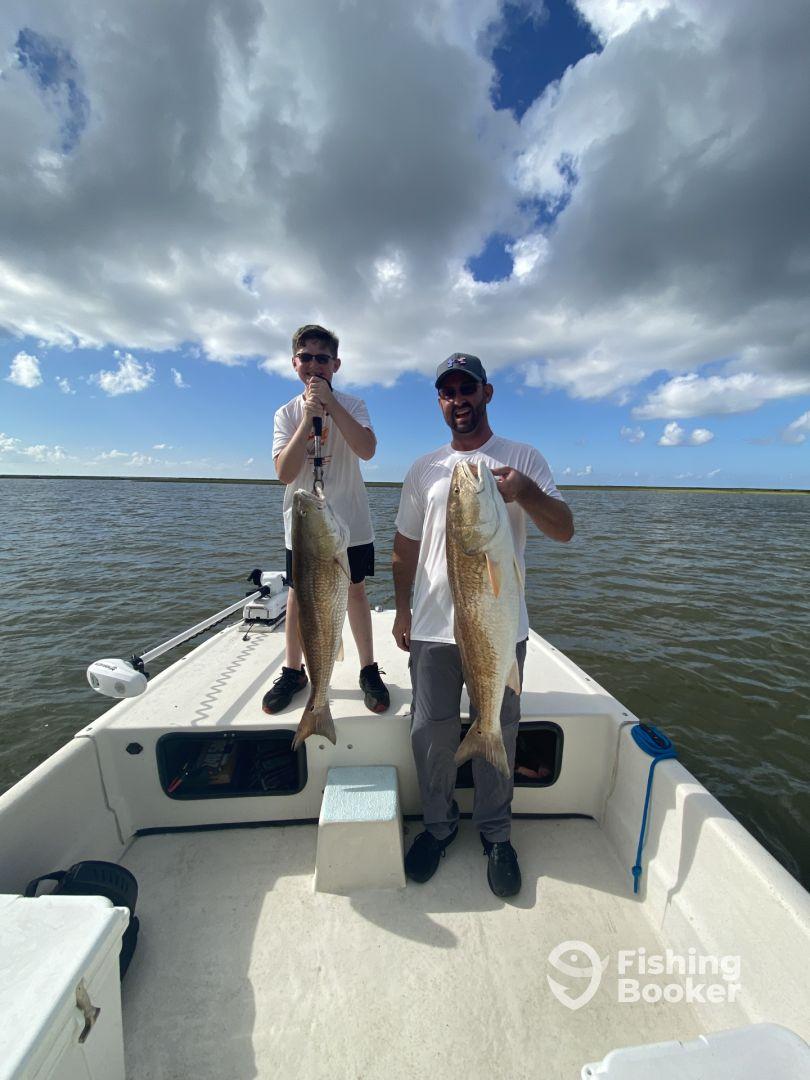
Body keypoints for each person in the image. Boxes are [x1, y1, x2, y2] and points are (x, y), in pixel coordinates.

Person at [392, 352, 574, 897]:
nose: (458, 400)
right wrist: (401, 609)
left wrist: (525, 492)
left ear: (487, 393)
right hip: (431, 630)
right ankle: (439, 827)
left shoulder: (522, 458)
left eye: (466, 389)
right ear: (440, 402)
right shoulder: (424, 468)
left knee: (500, 725)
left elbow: (564, 529)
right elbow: (403, 548)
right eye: (447, 392)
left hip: (499, 627)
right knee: (430, 733)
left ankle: (496, 835)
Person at [263, 324, 389, 715]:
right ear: (294, 363)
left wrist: (331, 406)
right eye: (307, 357)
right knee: (299, 595)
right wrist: (308, 417)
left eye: (323, 358)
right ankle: (293, 670)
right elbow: (285, 472)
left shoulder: (354, 404)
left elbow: (366, 449)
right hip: (303, 525)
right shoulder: (285, 413)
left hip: (349, 520)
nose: (314, 365)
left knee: (355, 590)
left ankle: (368, 669)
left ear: (336, 364)